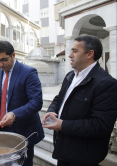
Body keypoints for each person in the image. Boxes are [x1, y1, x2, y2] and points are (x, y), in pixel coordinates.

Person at [41, 35, 117, 166]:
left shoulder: (106, 84)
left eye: (75, 51)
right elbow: (59, 98)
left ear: (89, 54)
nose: (69, 55)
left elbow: (100, 125)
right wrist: (52, 111)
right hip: (64, 150)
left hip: (84, 157)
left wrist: (63, 125)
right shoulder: (71, 76)